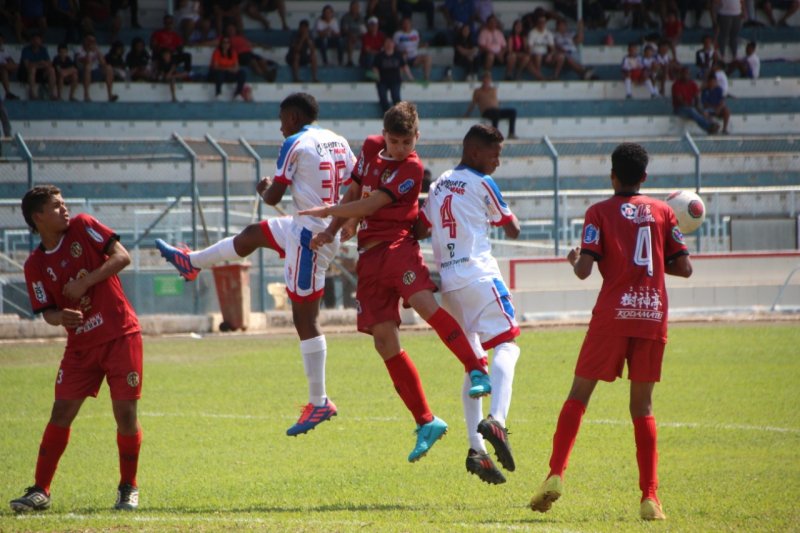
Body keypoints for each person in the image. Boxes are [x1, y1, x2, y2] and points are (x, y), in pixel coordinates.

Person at [298, 101, 492, 462]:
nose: (401, 148)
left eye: (408, 141)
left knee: (424, 305)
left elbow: (370, 206)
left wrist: (329, 211)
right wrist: (331, 229)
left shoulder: (412, 168)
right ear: (383, 135)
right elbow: (355, 192)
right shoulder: (371, 147)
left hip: (398, 247)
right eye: (395, 141)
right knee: (384, 341)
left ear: (417, 137)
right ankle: (426, 421)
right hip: (369, 257)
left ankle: (476, 368)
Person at [156, 93, 355, 437]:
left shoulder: (295, 141)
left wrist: (265, 188)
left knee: (304, 318)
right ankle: (191, 263)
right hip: (308, 227)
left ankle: (319, 401)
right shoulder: (338, 140)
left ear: (293, 117)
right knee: (252, 235)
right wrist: (347, 223)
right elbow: (356, 182)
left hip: (311, 237)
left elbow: (273, 196)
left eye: (281, 119)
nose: (280, 127)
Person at [528, 142, 693, 521]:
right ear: (645, 177)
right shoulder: (664, 211)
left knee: (579, 396)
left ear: (612, 176)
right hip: (651, 315)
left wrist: (575, 258)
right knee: (643, 407)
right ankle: (650, 498)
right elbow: (684, 269)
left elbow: (585, 270)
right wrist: (652, 259)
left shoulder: (598, 212)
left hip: (612, 316)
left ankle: (555, 474)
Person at [10, 185, 144, 513]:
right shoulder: (35, 265)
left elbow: (122, 257)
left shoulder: (84, 226)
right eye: (56, 206)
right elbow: (48, 313)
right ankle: (40, 490)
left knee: (125, 415)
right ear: (37, 217)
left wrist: (86, 281)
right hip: (81, 347)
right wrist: (61, 318)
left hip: (119, 335)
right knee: (61, 413)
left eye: (63, 203)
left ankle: (128, 487)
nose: (64, 209)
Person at [418, 124, 521, 485]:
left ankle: (477, 447)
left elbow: (421, 226)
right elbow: (513, 228)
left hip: (449, 284)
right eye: (495, 154)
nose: (498, 161)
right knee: (507, 344)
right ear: (475, 152)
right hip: (479, 275)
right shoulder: (483, 182)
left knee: (473, 362)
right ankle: (498, 420)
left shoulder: (438, 183)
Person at [465, 71, 518, 140]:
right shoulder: (478, 91)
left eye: (488, 79)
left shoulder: (493, 90)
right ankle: (494, 135)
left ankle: (511, 133)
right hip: (486, 112)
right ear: (482, 80)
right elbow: (473, 104)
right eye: (485, 79)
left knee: (512, 112)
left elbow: (496, 101)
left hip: (496, 110)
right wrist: (467, 114)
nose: (487, 81)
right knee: (495, 114)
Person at [672, 66, 720, 133]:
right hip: (680, 109)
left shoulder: (693, 84)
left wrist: (699, 108)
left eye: (688, 73)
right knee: (692, 110)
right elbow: (680, 101)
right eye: (684, 73)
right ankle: (708, 127)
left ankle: (712, 124)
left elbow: (697, 98)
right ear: (681, 74)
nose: (686, 75)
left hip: (691, 107)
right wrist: (693, 106)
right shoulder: (676, 85)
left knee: (702, 110)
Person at [372, 37, 413, 113]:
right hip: (382, 81)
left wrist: (410, 77)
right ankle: (387, 114)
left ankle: (399, 114)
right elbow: (375, 68)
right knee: (383, 97)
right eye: (387, 43)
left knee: (396, 97)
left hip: (395, 80)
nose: (389, 45)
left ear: (393, 44)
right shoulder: (379, 55)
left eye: (390, 43)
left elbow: (404, 66)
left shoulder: (398, 55)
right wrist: (377, 76)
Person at [75, 33, 119, 102]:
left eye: (93, 41)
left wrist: (98, 52)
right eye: (89, 40)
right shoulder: (79, 49)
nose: (91, 43)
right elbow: (86, 61)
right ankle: (86, 95)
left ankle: (110, 95)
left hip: (95, 72)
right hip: (83, 73)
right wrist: (88, 51)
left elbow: (103, 63)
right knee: (88, 67)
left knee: (109, 68)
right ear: (85, 40)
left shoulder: (96, 49)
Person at [18, 32, 56, 100]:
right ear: (31, 41)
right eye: (34, 40)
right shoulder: (26, 49)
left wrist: (40, 64)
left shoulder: (43, 49)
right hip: (27, 73)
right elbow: (27, 65)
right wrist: (40, 63)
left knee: (51, 70)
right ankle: (32, 93)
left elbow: (49, 63)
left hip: (41, 73)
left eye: (38, 40)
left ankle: (51, 93)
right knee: (32, 69)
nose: (36, 41)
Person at [393, 16, 431, 83]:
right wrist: (401, 52)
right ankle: (406, 79)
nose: (406, 25)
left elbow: (416, 45)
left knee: (427, 57)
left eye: (408, 23)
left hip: (414, 57)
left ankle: (426, 78)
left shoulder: (415, 33)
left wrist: (423, 45)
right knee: (402, 57)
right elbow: (393, 47)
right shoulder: (398, 34)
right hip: (403, 57)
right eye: (404, 23)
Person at [527, 15, 565, 80]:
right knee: (538, 55)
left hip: (545, 55)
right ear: (537, 23)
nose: (542, 23)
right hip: (535, 54)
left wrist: (550, 55)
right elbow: (529, 48)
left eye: (544, 22)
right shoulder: (532, 33)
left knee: (561, 56)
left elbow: (553, 48)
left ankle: (555, 75)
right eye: (540, 22)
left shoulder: (548, 33)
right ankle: (539, 76)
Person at [208, 35, 246, 101]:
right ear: (221, 44)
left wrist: (233, 70)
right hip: (218, 73)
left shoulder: (233, 52)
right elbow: (215, 66)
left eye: (228, 42)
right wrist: (227, 69)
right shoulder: (217, 52)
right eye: (224, 42)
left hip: (229, 73)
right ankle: (218, 93)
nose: (226, 44)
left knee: (242, 73)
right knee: (220, 73)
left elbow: (236, 66)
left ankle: (238, 93)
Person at [340, 0, 366, 67]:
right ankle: (350, 61)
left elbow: (363, 31)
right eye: (353, 7)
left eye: (357, 7)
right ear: (350, 8)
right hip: (348, 38)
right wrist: (351, 35)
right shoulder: (346, 17)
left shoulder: (361, 18)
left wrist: (357, 37)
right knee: (350, 40)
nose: (355, 8)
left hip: (358, 38)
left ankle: (363, 62)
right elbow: (344, 30)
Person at [0, 34, 19, 100]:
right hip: (2, 68)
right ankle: (8, 93)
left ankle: (8, 93)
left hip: (5, 68)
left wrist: (10, 64)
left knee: (18, 65)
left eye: (1, 40)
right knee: (3, 69)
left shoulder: (3, 50)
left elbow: (10, 60)